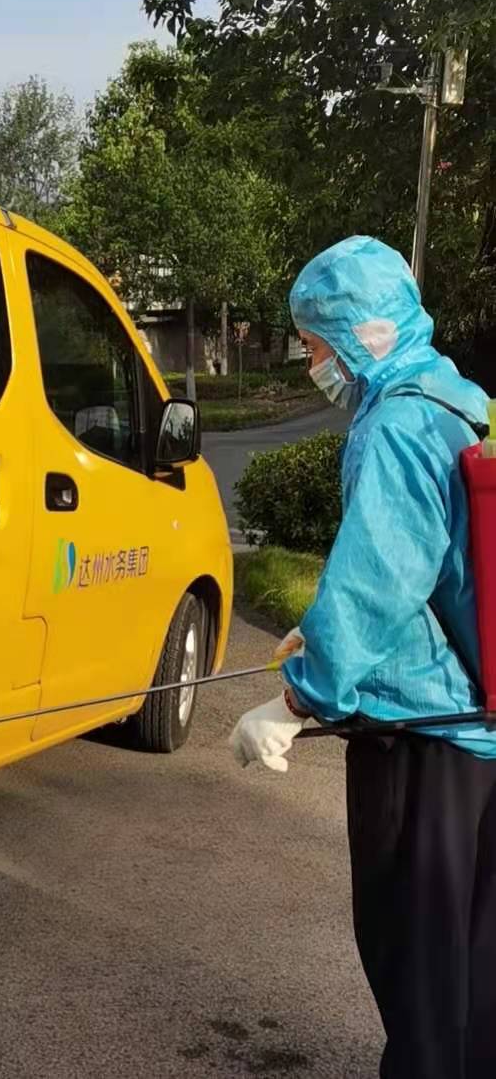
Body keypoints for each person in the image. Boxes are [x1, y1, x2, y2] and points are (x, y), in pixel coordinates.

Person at [230, 235, 495, 1079]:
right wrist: (317, 632)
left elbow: (379, 579)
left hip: (417, 739)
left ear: (361, 333)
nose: (315, 363)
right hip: (478, 726)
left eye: (315, 344)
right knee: (471, 974)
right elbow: (438, 566)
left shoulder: (395, 424)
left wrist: (296, 701)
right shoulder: (462, 399)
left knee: (416, 971)